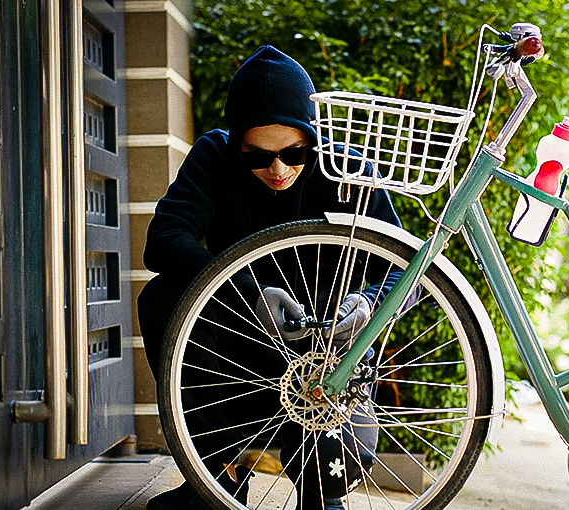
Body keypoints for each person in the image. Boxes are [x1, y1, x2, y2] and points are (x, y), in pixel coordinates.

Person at [138, 46, 402, 510]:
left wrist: (366, 304)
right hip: (243, 345)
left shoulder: (349, 171)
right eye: (257, 157)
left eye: (295, 152)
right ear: (236, 144)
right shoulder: (214, 157)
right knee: (162, 298)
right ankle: (215, 477)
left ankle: (323, 492)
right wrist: (247, 291)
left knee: (333, 475)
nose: (277, 169)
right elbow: (164, 240)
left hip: (326, 354)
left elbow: (405, 267)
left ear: (314, 139)